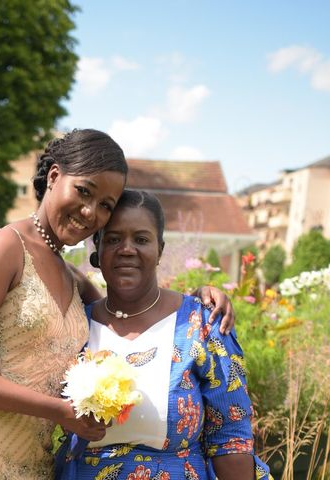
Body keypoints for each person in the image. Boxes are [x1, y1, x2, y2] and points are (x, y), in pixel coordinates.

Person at [0, 129, 237, 480]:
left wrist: (197, 297)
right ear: (55, 176)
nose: (90, 212)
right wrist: (57, 410)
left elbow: (126, 318)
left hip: (34, 460)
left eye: (105, 205)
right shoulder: (5, 248)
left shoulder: (72, 277)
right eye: (84, 191)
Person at [55, 189, 270, 480]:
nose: (127, 249)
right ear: (98, 248)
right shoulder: (77, 324)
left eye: (141, 239)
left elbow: (230, 437)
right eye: (114, 239)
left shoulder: (201, 324)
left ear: (160, 250)